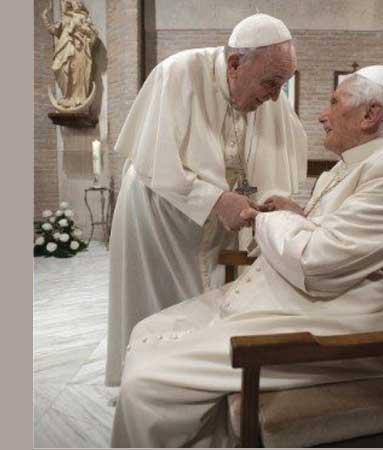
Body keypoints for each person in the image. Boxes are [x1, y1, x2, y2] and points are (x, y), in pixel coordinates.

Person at [110, 65, 383, 448]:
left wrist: (264, 218)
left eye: (334, 102)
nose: (322, 114)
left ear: (370, 115)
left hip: (338, 324)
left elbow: (314, 260)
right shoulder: (354, 164)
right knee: (146, 331)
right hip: (301, 303)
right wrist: (301, 214)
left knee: (146, 383)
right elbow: (349, 239)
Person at [105, 13, 308, 386]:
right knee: (158, 302)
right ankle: (148, 380)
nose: (275, 97)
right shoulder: (178, 73)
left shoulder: (268, 94)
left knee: (210, 303)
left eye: (283, 84)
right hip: (159, 215)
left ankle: (194, 382)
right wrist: (214, 200)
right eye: (271, 83)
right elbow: (154, 159)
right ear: (235, 64)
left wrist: (272, 198)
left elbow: (282, 151)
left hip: (220, 223)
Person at [41, 0, 98, 109]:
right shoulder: (64, 19)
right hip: (64, 48)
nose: (66, 5)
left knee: (77, 73)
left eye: (69, 3)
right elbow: (54, 30)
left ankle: (77, 98)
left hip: (78, 49)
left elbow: (92, 35)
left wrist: (81, 32)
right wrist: (45, 18)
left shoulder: (82, 18)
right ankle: (67, 96)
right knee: (58, 68)